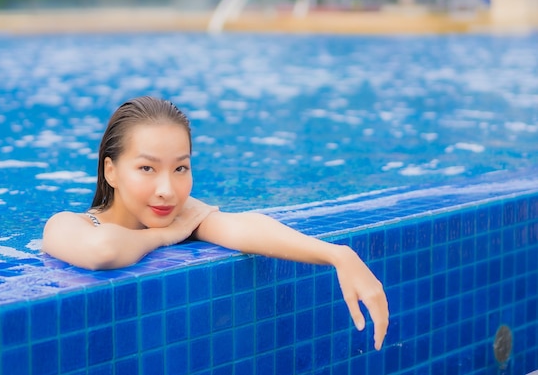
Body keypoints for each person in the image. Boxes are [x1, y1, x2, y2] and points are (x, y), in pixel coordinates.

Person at [43, 96, 389, 350]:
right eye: (147, 168)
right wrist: (165, 237)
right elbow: (102, 250)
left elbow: (244, 228)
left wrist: (337, 255)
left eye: (180, 168)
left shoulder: (177, 216)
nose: (167, 190)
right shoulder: (65, 225)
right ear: (111, 171)